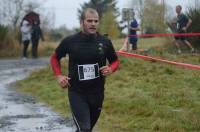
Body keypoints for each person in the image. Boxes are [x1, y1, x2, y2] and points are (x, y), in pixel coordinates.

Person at [50, 8, 119, 132]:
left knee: (87, 129)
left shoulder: (104, 42)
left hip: (97, 93)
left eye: (96, 21)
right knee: (85, 129)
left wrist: (110, 69)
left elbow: (115, 61)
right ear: (82, 22)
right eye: (89, 21)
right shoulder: (70, 41)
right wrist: (59, 76)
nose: (93, 24)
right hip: (77, 92)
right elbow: (55, 57)